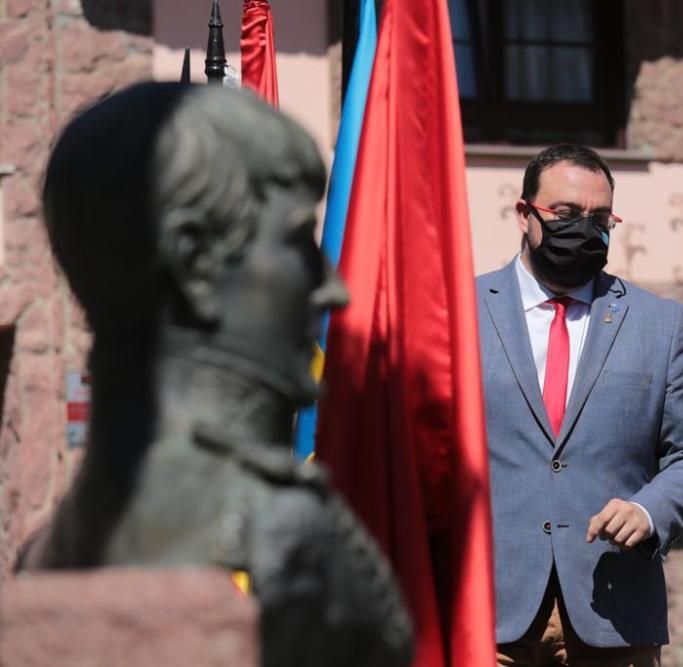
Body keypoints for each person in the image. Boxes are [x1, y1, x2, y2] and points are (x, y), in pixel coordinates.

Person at [18, 82, 411, 667]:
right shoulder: (288, 537)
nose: (332, 286)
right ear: (196, 259)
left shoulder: (44, 553)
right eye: (298, 241)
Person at [476, 143, 683, 666]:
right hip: (485, 615)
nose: (584, 230)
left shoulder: (656, 323)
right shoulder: (459, 311)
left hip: (614, 619)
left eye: (599, 218)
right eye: (566, 215)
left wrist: (648, 508)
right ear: (525, 215)